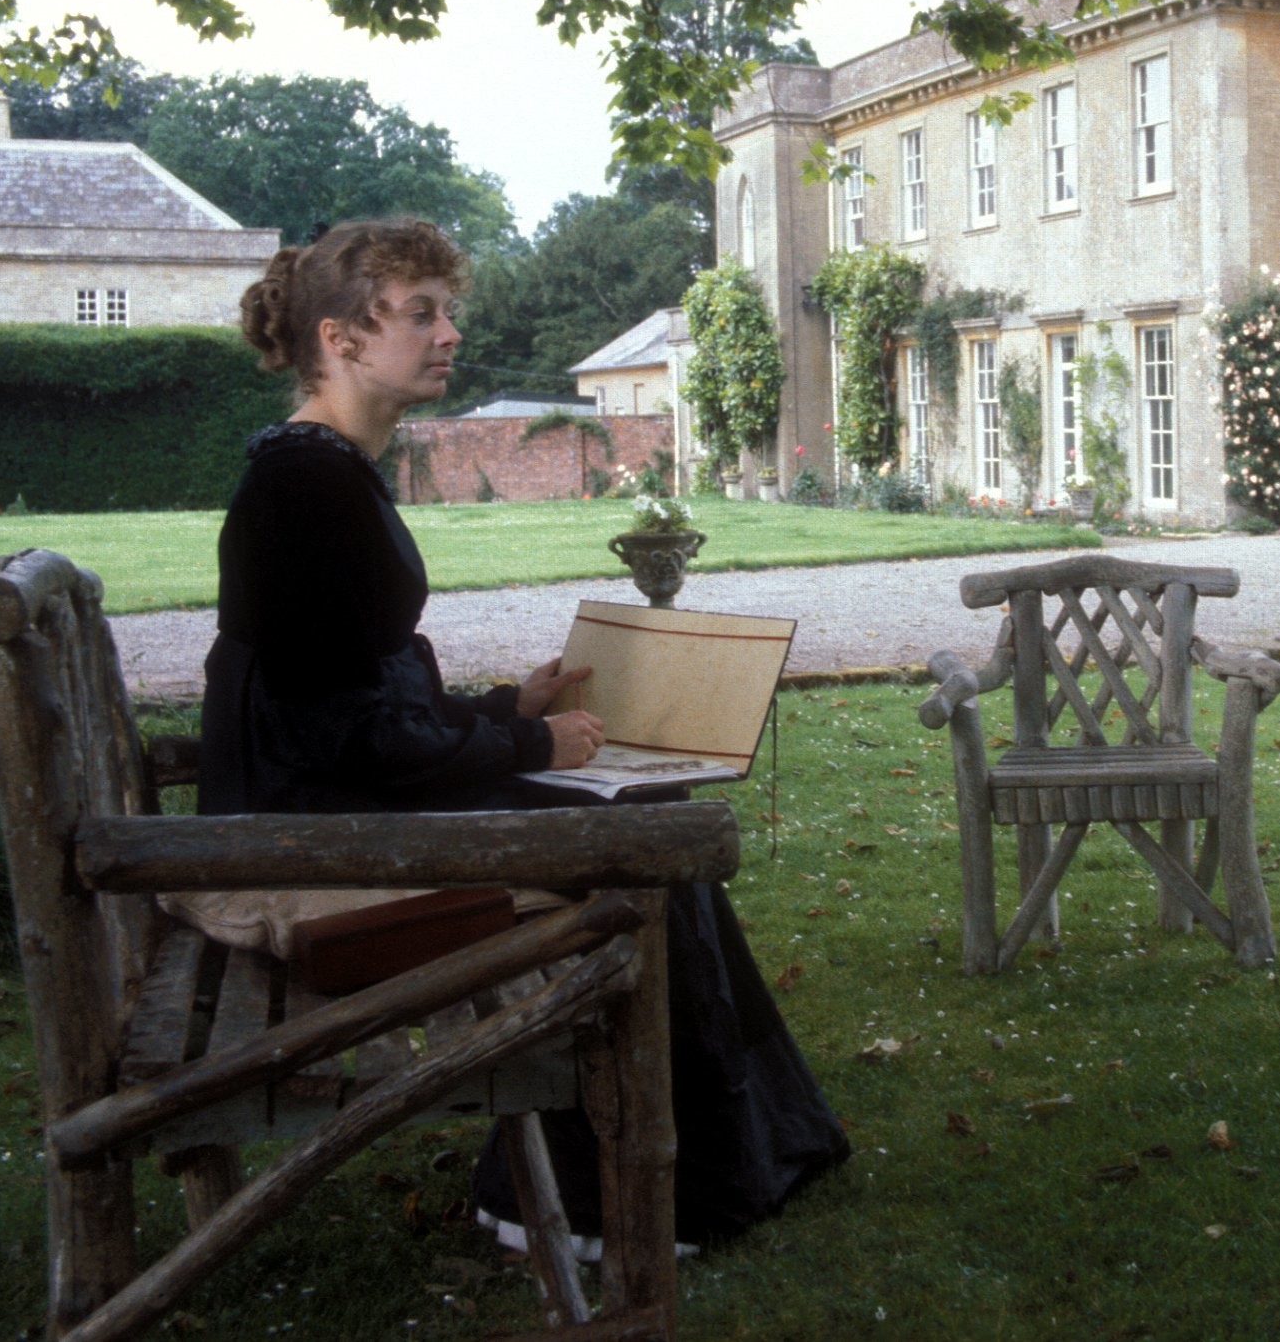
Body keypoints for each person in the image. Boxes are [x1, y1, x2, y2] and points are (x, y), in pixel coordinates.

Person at [205, 217, 848, 1251]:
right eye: (419, 313)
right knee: (644, 843)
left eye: (444, 308)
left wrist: (508, 707)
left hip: (330, 807)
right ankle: (601, 1203)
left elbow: (351, 699)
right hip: (311, 846)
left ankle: (720, 1148)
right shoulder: (304, 491)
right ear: (340, 338)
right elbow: (346, 740)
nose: (448, 331)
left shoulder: (319, 474)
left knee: (648, 812)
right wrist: (530, 749)